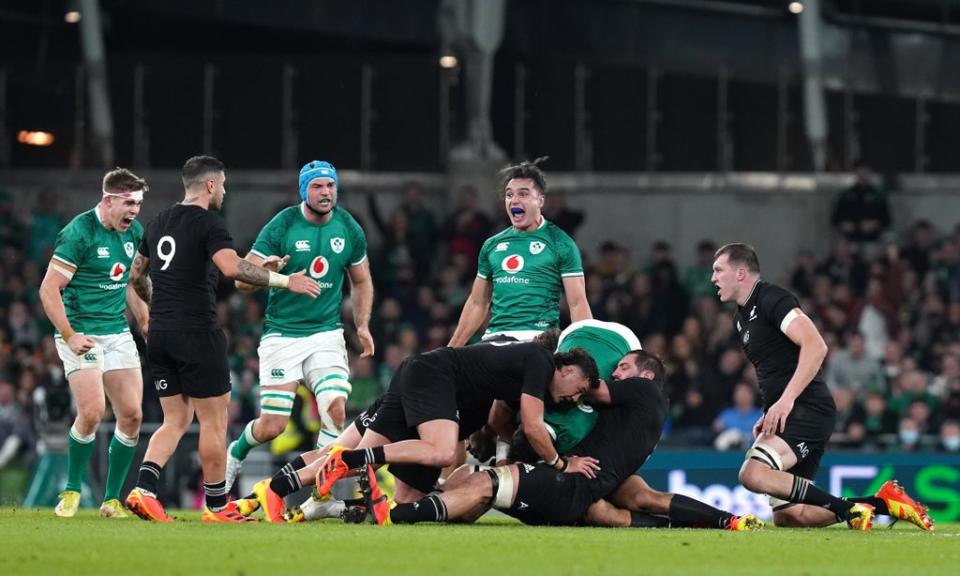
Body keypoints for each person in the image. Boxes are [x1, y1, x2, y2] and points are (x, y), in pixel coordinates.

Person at [123, 155, 321, 523]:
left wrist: (157, 307)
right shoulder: (209, 223)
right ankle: (217, 507)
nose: (225, 190)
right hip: (198, 333)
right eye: (224, 184)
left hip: (161, 334)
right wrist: (284, 280)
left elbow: (136, 276)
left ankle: (143, 489)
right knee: (214, 422)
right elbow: (232, 269)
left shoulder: (157, 221)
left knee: (175, 420)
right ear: (211, 185)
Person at [711, 242, 932, 531]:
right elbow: (777, 369)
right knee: (792, 517)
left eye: (718, 270)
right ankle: (883, 503)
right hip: (790, 411)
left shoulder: (772, 299)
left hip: (807, 408)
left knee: (752, 474)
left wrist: (787, 400)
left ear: (741, 273)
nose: (713, 278)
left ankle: (849, 510)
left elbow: (816, 345)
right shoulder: (741, 318)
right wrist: (772, 409)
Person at [375, 350, 668, 527]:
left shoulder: (637, 398)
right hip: (441, 377)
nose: (615, 373)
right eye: (577, 391)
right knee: (454, 467)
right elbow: (526, 426)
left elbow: (512, 422)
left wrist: (554, 463)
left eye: (624, 367)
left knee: (468, 476)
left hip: (433, 371)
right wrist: (560, 464)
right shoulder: (537, 366)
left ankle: (385, 500)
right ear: (565, 369)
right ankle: (368, 480)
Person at [224, 160, 374, 492]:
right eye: (318, 186)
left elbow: (361, 282)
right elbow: (241, 280)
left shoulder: (349, 226)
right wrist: (276, 277)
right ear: (303, 190)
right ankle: (235, 452)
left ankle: (319, 494)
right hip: (283, 336)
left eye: (331, 185)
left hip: (327, 334)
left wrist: (361, 325)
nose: (326, 192)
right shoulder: (282, 225)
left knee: (335, 409)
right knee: (272, 426)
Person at [38, 168, 150, 518]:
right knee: (91, 411)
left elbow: (130, 282)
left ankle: (111, 500)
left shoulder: (134, 233)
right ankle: (71, 490)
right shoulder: (78, 233)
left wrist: (145, 320)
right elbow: (48, 289)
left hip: (116, 331)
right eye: (129, 203)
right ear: (108, 200)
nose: (134, 211)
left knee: (132, 415)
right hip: (81, 332)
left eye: (139, 204)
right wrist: (70, 336)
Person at [448, 158, 591, 346]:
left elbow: (577, 303)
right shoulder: (492, 245)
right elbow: (477, 303)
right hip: (493, 340)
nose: (514, 200)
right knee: (418, 365)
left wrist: (588, 356)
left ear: (540, 200)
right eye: (509, 195)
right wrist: (450, 351)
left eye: (523, 194)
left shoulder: (561, 243)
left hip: (538, 340)